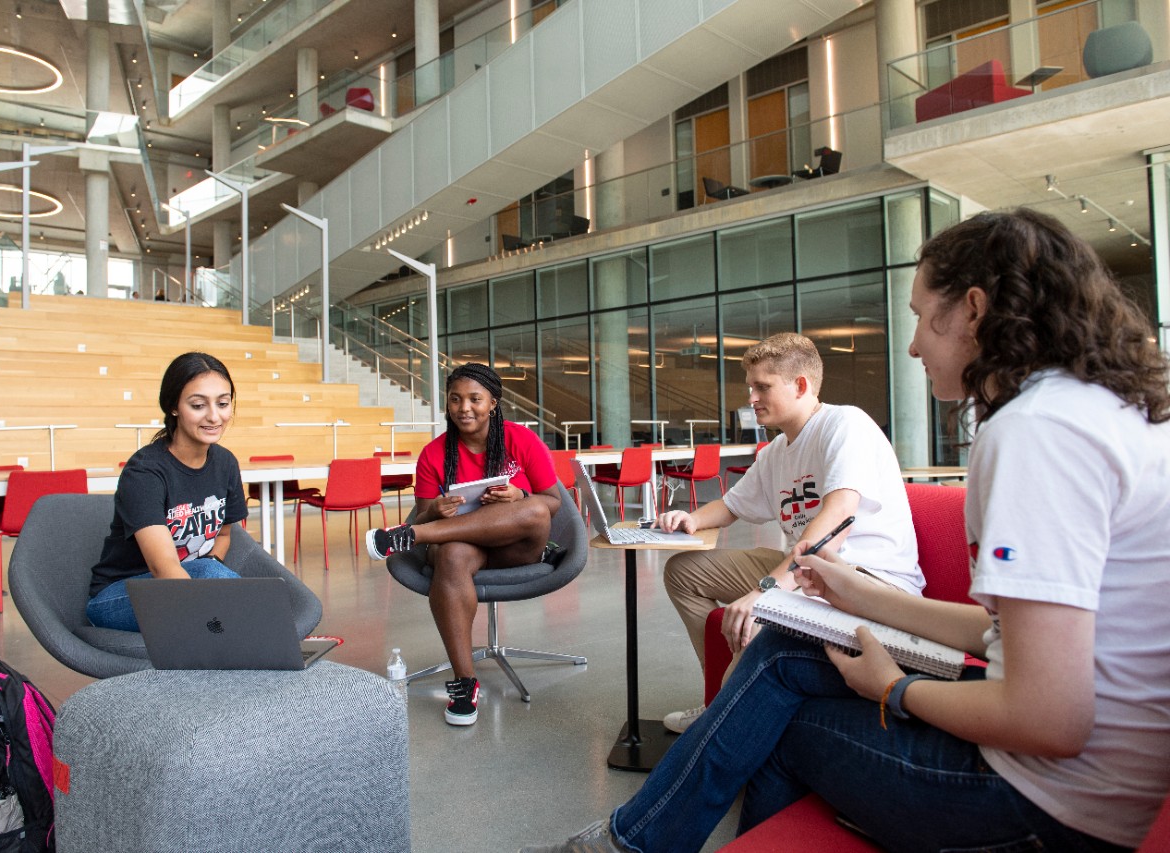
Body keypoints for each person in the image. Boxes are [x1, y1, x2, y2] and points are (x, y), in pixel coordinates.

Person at [522, 209, 1170, 853]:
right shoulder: (1094, 411)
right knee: (779, 661)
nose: (913, 344)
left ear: (974, 310)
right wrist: (859, 598)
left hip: (1046, 808)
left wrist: (894, 687)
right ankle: (631, 840)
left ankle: (629, 843)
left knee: (776, 711)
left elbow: (1049, 718)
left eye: (920, 315)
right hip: (1090, 784)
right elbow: (1001, 634)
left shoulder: (1034, 431)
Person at [656, 332, 923, 734]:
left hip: (867, 578)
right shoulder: (778, 450)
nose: (751, 398)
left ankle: (723, 726)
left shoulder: (844, 424)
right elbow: (731, 506)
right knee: (685, 571)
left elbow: (837, 517)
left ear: (801, 386)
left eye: (762, 387)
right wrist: (691, 519)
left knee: (759, 619)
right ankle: (717, 696)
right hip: (811, 573)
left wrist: (768, 589)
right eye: (751, 387)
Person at [365, 363, 560, 726]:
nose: (464, 408)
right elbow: (422, 513)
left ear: (493, 404)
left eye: (474, 399)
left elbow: (552, 503)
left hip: (515, 547)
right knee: (452, 553)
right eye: (455, 399)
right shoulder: (434, 454)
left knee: (533, 508)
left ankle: (407, 538)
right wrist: (434, 511)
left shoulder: (521, 439)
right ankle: (464, 681)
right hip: (464, 552)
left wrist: (519, 495)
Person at [86, 352, 248, 631]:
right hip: (120, 596)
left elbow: (223, 534)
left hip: (190, 582)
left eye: (223, 403)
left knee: (211, 573)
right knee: (215, 585)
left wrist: (210, 577)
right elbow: (164, 569)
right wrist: (216, 607)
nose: (214, 416)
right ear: (173, 406)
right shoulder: (144, 473)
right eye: (198, 405)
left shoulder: (225, 463)